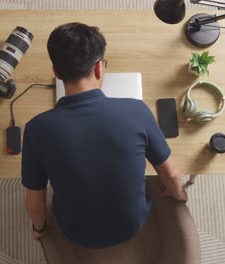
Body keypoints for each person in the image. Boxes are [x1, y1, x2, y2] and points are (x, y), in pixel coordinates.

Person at [21, 22, 187, 248]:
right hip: (132, 226)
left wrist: (38, 229)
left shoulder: (36, 129)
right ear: (99, 68)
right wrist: (178, 196)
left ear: (56, 73)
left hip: (74, 232)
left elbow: (35, 204)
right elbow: (173, 177)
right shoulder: (137, 110)